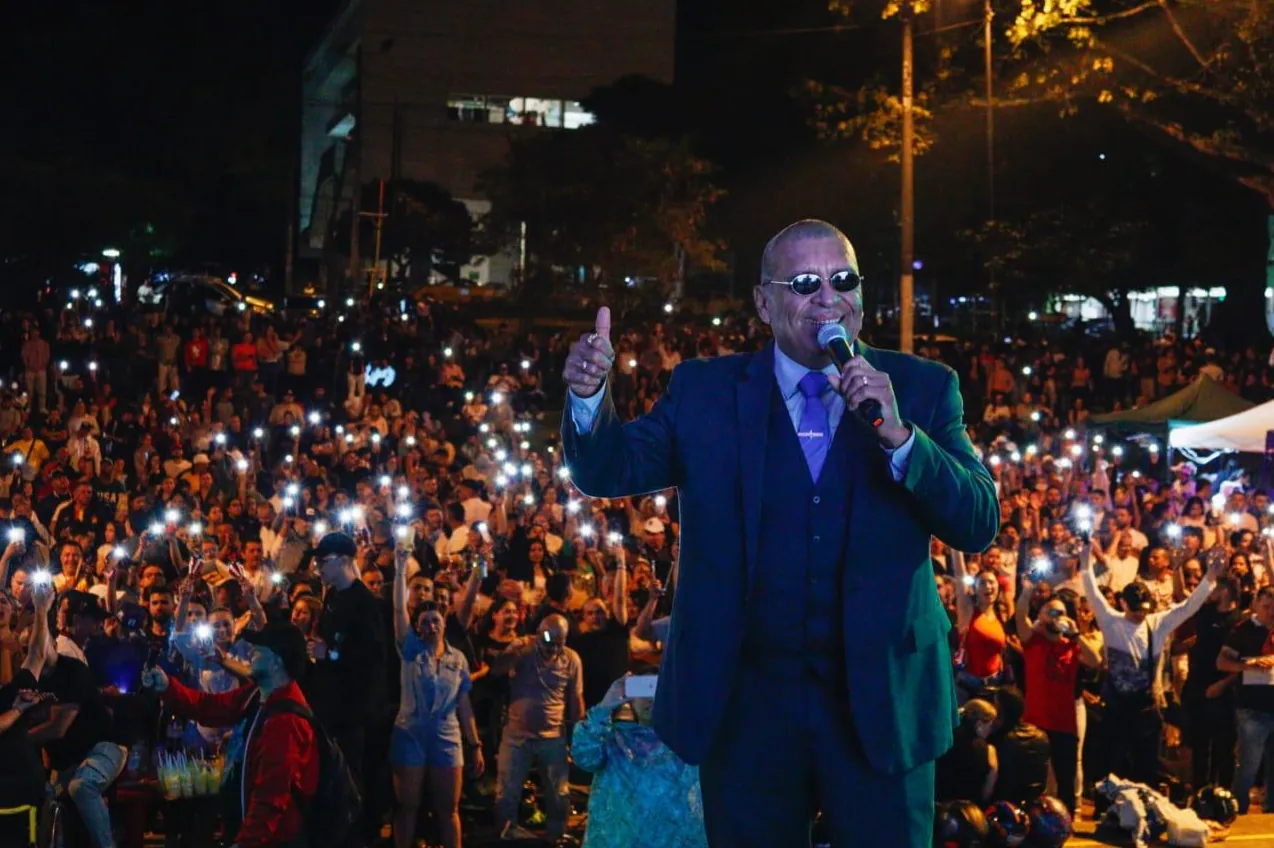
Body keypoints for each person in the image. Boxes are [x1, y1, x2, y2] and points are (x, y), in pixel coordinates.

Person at [562, 219, 998, 846]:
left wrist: (903, 439)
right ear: (764, 303)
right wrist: (588, 397)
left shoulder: (923, 387)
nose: (829, 298)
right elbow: (608, 469)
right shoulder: (704, 391)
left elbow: (978, 521)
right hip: (746, 705)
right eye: (805, 284)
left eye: (843, 280)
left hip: (882, 702)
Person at [142, 622, 320, 848]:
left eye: (259, 649)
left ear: (277, 662)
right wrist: (167, 686)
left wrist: (246, 842)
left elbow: (272, 796)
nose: (251, 653)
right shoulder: (257, 695)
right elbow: (209, 707)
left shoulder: (287, 721)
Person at [1080, 542, 1223, 787]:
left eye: (1144, 610)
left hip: (1145, 708)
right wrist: (1085, 561)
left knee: (1145, 767)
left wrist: (1210, 577)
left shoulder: (1157, 623)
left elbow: (1188, 607)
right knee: (1111, 764)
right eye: (1136, 610)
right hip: (1115, 706)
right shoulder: (1110, 621)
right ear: (1123, 604)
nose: (1141, 615)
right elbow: (1092, 591)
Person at [390, 542, 484, 848]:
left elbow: (464, 704)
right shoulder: (410, 650)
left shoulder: (458, 659)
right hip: (410, 733)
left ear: (444, 623)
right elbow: (398, 610)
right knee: (407, 806)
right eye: (424, 622)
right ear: (417, 627)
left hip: (446, 735)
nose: (430, 626)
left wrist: (475, 744)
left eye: (435, 621)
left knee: (449, 809)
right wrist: (400, 569)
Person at [572, 674, 709, 848]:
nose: (649, 699)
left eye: (656, 690)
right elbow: (584, 756)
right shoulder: (615, 740)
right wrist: (604, 707)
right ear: (630, 697)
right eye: (643, 688)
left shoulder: (689, 743)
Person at [490, 614, 585, 841]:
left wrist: (579, 736)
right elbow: (496, 670)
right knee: (506, 793)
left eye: (558, 643)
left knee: (558, 793)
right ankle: (505, 836)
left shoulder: (571, 659)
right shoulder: (524, 649)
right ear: (539, 633)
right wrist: (517, 651)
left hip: (552, 736)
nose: (552, 649)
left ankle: (556, 836)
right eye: (548, 641)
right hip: (517, 735)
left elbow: (576, 698)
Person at [1217, 585, 1274, 814]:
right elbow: (1222, 662)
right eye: (1267, 607)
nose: (1271, 612)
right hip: (1252, 708)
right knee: (1249, 764)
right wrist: (1249, 664)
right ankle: (1238, 810)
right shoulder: (1242, 630)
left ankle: (1271, 813)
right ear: (1256, 604)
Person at [934, 699, 997, 804]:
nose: (990, 730)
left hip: (940, 804)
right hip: (969, 808)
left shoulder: (945, 739)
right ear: (979, 724)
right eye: (990, 725)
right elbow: (987, 790)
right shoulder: (989, 750)